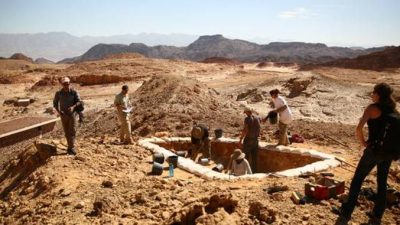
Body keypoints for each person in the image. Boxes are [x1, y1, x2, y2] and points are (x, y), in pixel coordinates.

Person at [333, 83, 397, 224]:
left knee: (357, 180)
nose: (372, 95)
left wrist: (363, 142)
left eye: (374, 92)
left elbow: (358, 128)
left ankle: (346, 212)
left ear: (378, 94)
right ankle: (377, 215)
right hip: (387, 153)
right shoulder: (393, 110)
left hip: (373, 151)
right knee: (382, 182)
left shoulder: (372, 108)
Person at [53, 77, 81, 155]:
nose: (66, 85)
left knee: (72, 130)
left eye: (67, 84)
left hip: (72, 115)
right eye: (64, 84)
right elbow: (55, 103)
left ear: (69, 84)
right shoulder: (59, 93)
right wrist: (59, 111)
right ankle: (69, 147)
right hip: (63, 115)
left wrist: (73, 107)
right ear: (62, 84)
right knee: (67, 132)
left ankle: (71, 147)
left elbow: (79, 101)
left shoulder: (73, 92)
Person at [239, 107, 261, 173]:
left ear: (248, 112)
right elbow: (259, 128)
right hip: (255, 140)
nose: (245, 114)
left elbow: (245, 130)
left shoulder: (247, 119)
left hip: (248, 140)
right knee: (254, 158)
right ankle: (254, 172)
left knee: (245, 156)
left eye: (245, 112)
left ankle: (244, 172)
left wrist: (241, 139)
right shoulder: (257, 118)